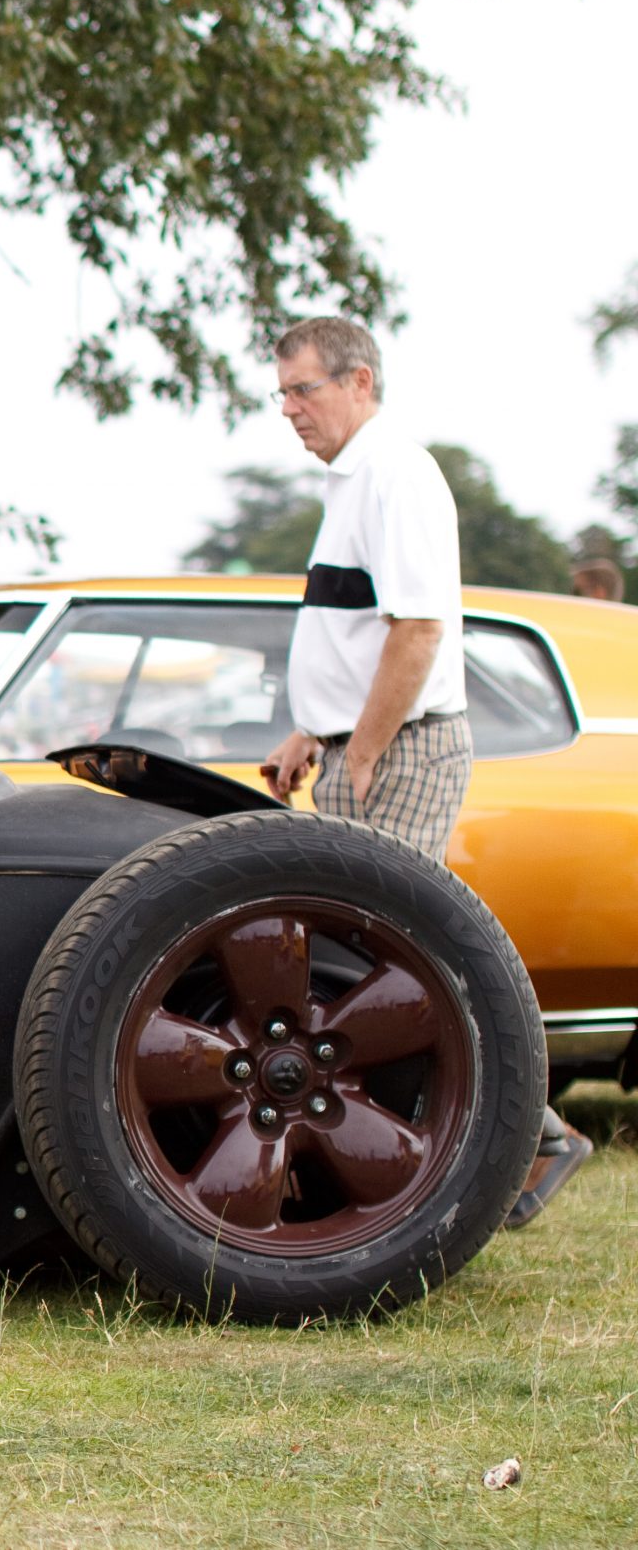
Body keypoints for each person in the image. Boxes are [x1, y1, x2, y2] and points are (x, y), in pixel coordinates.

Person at [254, 315, 589, 1229]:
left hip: (401, 750)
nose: (288, 408)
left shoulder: (395, 473)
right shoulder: (351, 480)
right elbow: (359, 630)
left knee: (395, 963)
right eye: (281, 393)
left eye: (303, 389)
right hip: (363, 746)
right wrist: (311, 731)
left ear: (359, 381)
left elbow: (418, 630)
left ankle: (534, 1135)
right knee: (379, 961)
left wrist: (361, 749)